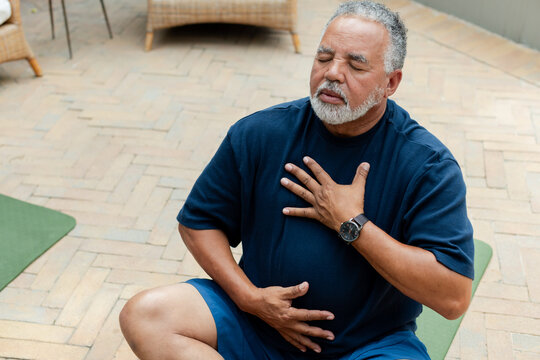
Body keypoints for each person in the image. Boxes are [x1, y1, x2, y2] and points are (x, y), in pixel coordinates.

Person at [119, 1, 474, 359]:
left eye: (355, 64)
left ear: (391, 82)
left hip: (368, 345)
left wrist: (352, 224)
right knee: (147, 315)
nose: (333, 73)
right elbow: (198, 224)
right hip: (255, 324)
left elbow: (453, 297)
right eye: (323, 58)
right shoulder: (260, 133)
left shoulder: (428, 165)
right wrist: (248, 297)